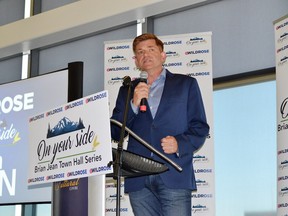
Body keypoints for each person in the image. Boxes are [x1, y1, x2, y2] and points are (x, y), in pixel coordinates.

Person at [110, 33, 209, 216]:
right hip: (138, 177)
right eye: (140, 52)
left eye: (151, 49)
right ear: (136, 60)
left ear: (163, 55)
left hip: (173, 173)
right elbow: (116, 132)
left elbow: (200, 126)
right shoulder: (127, 91)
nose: (145, 54)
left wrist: (180, 143)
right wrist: (133, 104)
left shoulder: (186, 84)